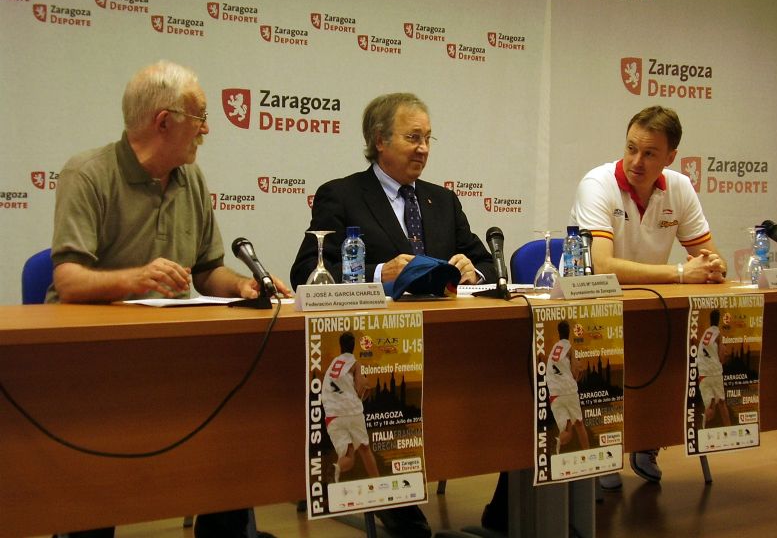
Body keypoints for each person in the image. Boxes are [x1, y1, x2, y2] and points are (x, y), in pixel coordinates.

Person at [48, 60, 290, 538]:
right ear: (164, 121)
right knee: (99, 463)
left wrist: (242, 285)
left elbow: (206, 272)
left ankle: (228, 530)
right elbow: (69, 280)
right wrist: (137, 276)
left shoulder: (191, 179)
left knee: (235, 417)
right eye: (200, 118)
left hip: (176, 346)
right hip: (97, 359)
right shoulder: (88, 174)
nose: (207, 129)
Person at [292, 92, 496, 537]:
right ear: (380, 140)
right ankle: (401, 514)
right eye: (412, 137)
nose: (423, 148)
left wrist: (471, 268)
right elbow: (307, 272)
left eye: (427, 138)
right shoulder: (341, 195)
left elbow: (490, 266)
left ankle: (507, 513)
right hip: (380, 352)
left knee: (506, 387)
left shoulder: (442, 201)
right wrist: (380, 273)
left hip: (451, 346)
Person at [570, 104, 727, 490]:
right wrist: (679, 272)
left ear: (671, 157)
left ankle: (646, 439)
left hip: (651, 309)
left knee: (678, 343)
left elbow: (706, 255)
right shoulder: (598, 183)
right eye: (631, 149)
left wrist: (711, 265)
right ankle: (604, 446)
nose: (637, 161)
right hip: (594, 311)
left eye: (650, 153)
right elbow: (603, 265)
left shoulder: (679, 187)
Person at [321, 332, 379, 482]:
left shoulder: (332, 365)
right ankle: (379, 485)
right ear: (354, 346)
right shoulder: (355, 363)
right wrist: (366, 389)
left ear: (341, 346)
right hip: (351, 411)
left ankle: (336, 468)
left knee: (348, 457)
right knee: (365, 449)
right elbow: (361, 386)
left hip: (332, 414)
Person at [546, 320, 590, 453]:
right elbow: (576, 371)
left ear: (558, 333)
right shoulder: (570, 348)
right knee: (579, 424)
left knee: (566, 430)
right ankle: (588, 455)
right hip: (568, 390)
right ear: (569, 333)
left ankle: (557, 445)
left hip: (554, 393)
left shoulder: (554, 349)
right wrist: (580, 370)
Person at [696, 309, 731, 428]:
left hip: (703, 374)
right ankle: (729, 430)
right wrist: (725, 355)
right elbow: (721, 357)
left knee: (710, 406)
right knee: (721, 403)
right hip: (714, 373)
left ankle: (703, 428)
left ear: (710, 320)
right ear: (719, 320)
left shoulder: (705, 334)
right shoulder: (718, 334)